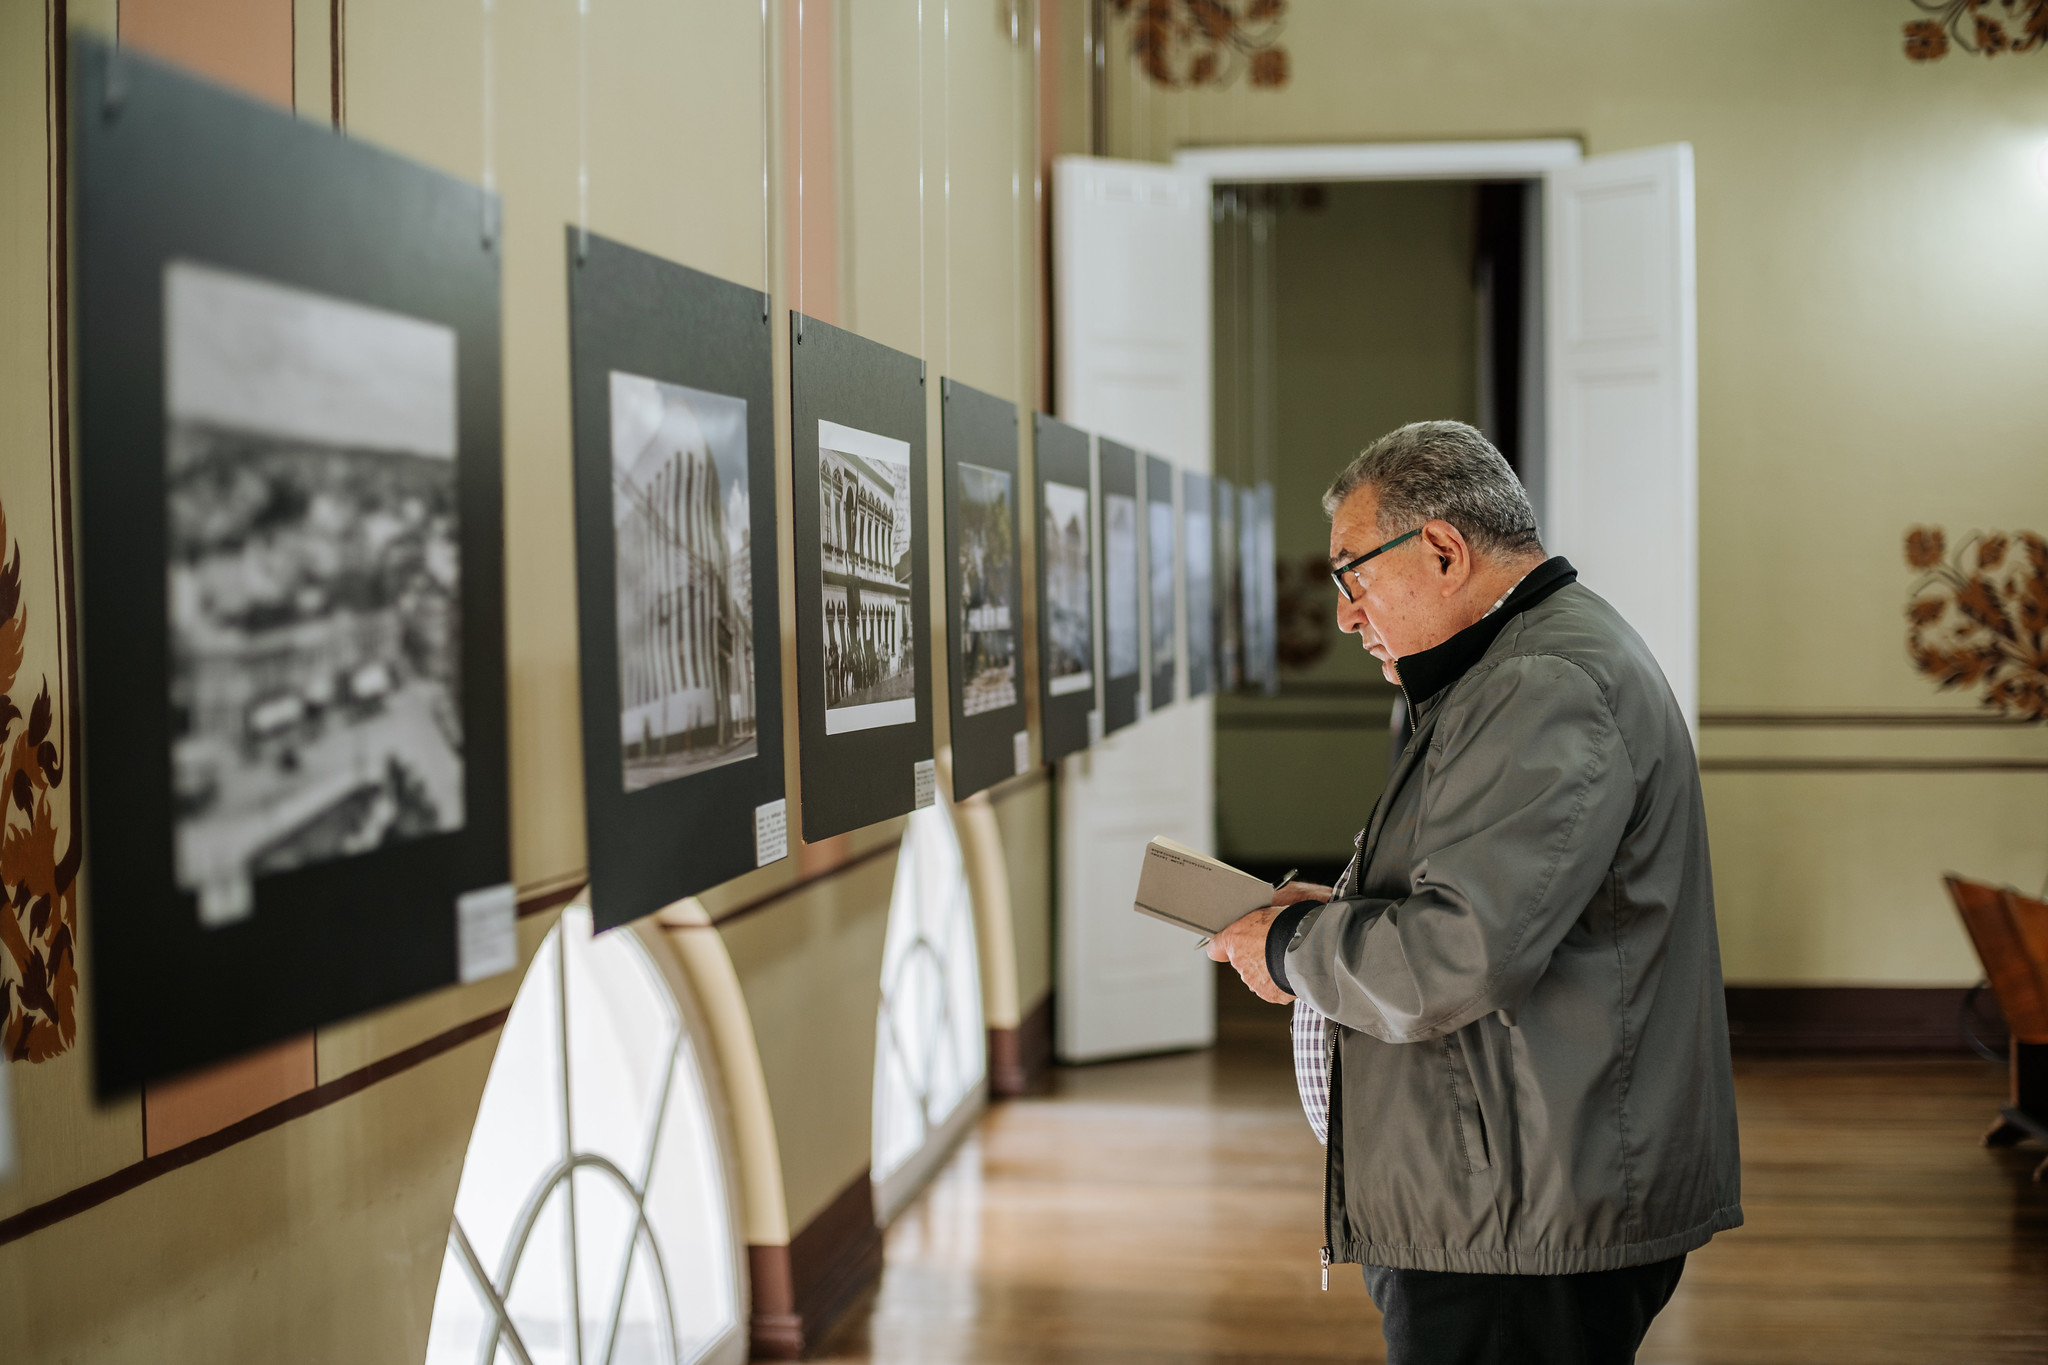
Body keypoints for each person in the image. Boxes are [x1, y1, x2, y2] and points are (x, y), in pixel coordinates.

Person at [1206, 421, 1741, 1365]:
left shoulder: (1540, 681)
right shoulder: (1523, 663)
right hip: (1513, 1193)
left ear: (1444, 549)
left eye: (1349, 573)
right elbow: (1481, 891)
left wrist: (1293, 950)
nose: (1344, 613)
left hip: (1521, 1219)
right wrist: (1330, 910)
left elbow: (1459, 952)